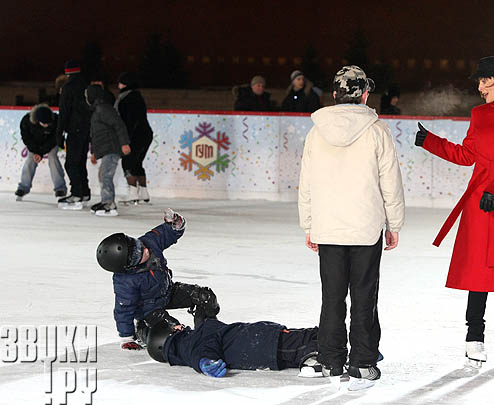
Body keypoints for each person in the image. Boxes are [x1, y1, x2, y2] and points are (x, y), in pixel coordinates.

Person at [414, 56, 494, 367]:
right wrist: (430, 142)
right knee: (478, 268)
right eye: (479, 81)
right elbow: (467, 154)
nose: (480, 86)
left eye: (485, 80)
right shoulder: (479, 114)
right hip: (480, 202)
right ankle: (474, 338)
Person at [298, 65, 405, 382]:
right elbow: (391, 183)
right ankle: (362, 361)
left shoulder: (317, 132)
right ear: (365, 94)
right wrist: (394, 223)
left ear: (334, 94)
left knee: (331, 298)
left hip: (329, 227)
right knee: (364, 297)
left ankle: (331, 361)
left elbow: (306, 183)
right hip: (365, 228)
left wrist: (309, 224)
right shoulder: (377, 131)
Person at [96, 209, 221, 350]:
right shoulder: (125, 282)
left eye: (137, 245)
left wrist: (175, 225)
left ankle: (208, 329)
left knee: (205, 296)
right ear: (128, 266)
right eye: (137, 254)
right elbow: (123, 310)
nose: (144, 250)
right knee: (173, 330)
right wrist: (126, 338)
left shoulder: (148, 243)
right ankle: (144, 329)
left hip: (168, 291)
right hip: (148, 309)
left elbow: (164, 234)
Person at [145, 311, 320, 379]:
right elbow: (203, 349)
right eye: (175, 326)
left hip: (261, 344)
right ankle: (322, 360)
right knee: (305, 342)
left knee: (308, 337)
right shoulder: (192, 342)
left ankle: (324, 354)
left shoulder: (188, 345)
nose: (180, 325)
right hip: (263, 342)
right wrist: (204, 362)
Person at [85, 84, 130, 216]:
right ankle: (105, 201)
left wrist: (124, 143)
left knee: (106, 175)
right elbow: (95, 134)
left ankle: (109, 204)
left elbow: (119, 125)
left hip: (112, 148)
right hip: (106, 149)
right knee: (103, 175)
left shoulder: (103, 109)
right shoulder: (97, 110)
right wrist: (94, 152)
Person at [56, 60, 92, 210]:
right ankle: (84, 192)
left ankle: (76, 193)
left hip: (74, 130)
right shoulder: (87, 86)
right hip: (87, 130)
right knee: (80, 162)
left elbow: (64, 112)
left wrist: (59, 133)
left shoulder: (68, 88)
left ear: (67, 72)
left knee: (71, 163)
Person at [114, 72, 154, 204]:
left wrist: (126, 140)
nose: (118, 84)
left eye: (120, 82)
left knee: (128, 162)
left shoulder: (127, 98)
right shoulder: (136, 96)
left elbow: (129, 121)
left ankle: (132, 194)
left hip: (135, 134)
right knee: (137, 163)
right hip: (145, 133)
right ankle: (143, 193)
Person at [15, 104, 67, 200]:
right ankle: (23, 187)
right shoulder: (26, 121)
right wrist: (35, 151)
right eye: (44, 123)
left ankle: (60, 188)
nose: (46, 125)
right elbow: (26, 138)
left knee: (53, 158)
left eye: (48, 123)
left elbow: (54, 139)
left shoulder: (56, 120)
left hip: (50, 144)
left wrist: (41, 152)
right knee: (30, 160)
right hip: (34, 144)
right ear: (37, 121)